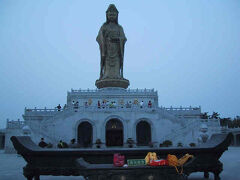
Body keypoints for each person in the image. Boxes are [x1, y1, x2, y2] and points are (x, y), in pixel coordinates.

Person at [96, 4, 127, 79]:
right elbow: (98, 37)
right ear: (107, 15)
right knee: (106, 62)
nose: (112, 16)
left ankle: (117, 75)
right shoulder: (104, 26)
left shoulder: (119, 28)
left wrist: (118, 39)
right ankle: (105, 74)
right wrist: (104, 40)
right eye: (110, 14)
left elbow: (124, 38)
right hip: (107, 49)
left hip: (117, 49)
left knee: (117, 62)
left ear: (117, 15)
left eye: (113, 14)